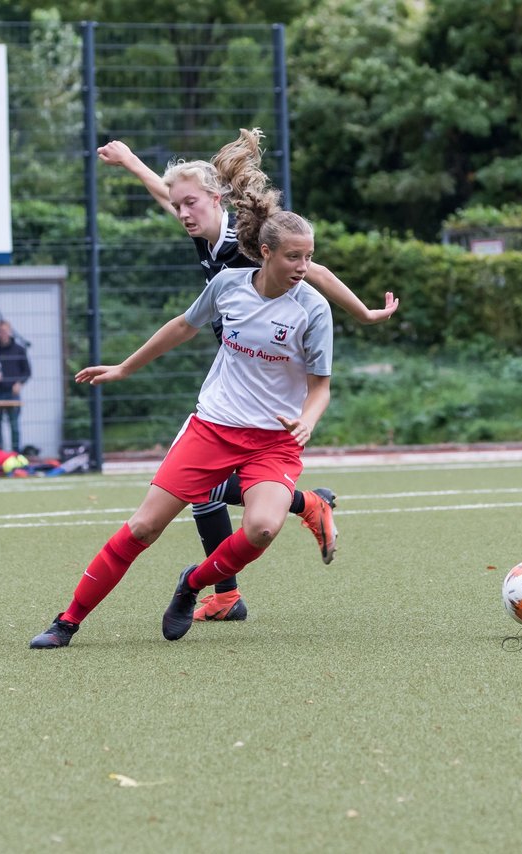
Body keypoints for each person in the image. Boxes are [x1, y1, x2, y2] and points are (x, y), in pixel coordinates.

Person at [31, 132, 333, 649]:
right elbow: (181, 322)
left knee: (260, 526)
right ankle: (67, 621)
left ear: (218, 202)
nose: (301, 267)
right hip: (215, 422)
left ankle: (200, 585)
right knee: (148, 525)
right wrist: (125, 368)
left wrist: (364, 318)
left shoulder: (308, 302)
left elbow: (320, 376)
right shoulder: (226, 274)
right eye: (293, 258)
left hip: (272, 439)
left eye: (305, 258)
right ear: (264, 252)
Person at [96, 133, 399, 621]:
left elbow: (313, 269)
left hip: (263, 380)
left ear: (216, 200)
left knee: (197, 492)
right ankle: (234, 584)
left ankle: (267, 544)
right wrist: (131, 161)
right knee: (201, 494)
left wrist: (363, 313)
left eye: (190, 203)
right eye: (179, 206)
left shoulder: (242, 246)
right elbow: (167, 191)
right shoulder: (205, 231)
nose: (181, 212)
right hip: (234, 375)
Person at [0, 320, 31, 452]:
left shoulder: (19, 350)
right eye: (0, 331)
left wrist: (19, 383)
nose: (3, 334)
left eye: (5, 331)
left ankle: (16, 454)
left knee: (14, 426)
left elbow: (27, 372)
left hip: (12, 393)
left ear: (10, 331)